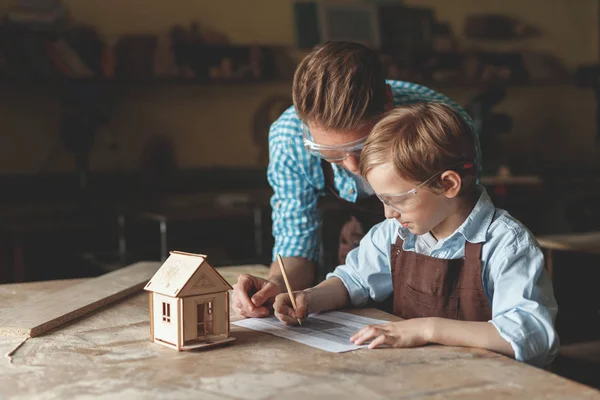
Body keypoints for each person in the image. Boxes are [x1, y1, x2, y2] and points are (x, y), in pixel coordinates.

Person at [272, 103, 559, 367]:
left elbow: (532, 335)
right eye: (382, 200)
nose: (387, 213)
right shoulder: (394, 233)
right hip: (419, 376)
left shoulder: (506, 244)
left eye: (397, 200)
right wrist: (309, 298)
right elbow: (354, 281)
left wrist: (427, 329)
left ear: (448, 184)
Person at [232, 41, 480, 319]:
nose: (353, 167)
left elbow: (461, 230)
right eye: (333, 156)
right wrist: (276, 287)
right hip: (341, 289)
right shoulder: (288, 139)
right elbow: (296, 243)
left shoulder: (441, 125)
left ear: (387, 102)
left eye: (362, 147)